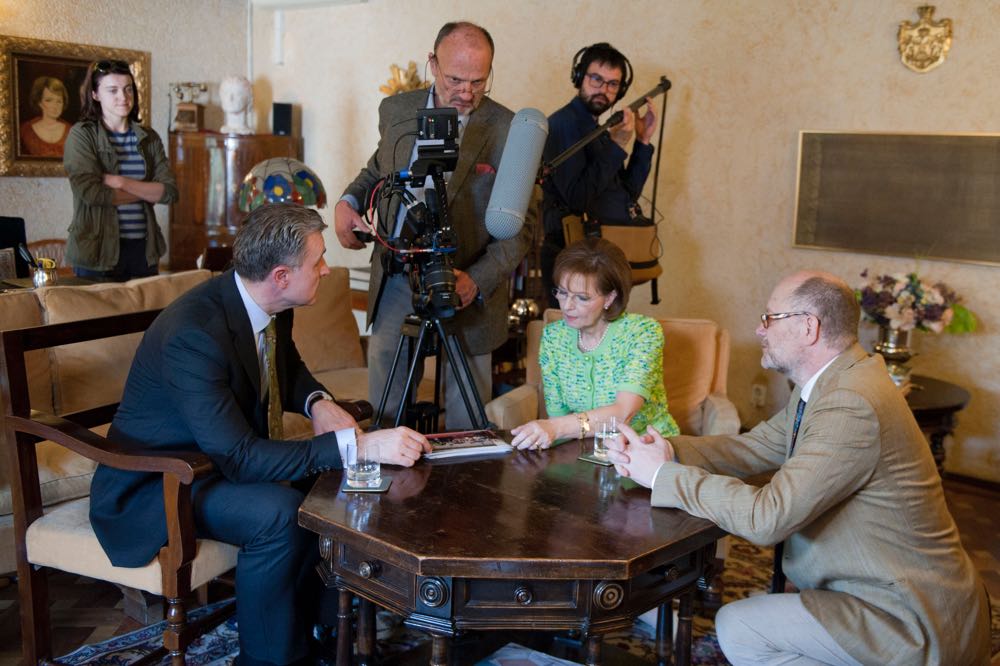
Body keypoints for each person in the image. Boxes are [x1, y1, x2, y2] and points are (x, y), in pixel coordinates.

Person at [89, 203, 431, 666]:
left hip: (213, 461)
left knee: (334, 490)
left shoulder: (267, 302)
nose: (327, 270)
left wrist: (317, 402)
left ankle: (322, 630)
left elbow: (285, 367)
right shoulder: (194, 334)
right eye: (318, 262)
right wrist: (360, 445)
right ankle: (268, 658)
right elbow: (242, 458)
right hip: (156, 483)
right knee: (279, 513)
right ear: (281, 275)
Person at [608, 270, 990, 665]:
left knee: (740, 629)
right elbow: (754, 447)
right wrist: (667, 449)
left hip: (908, 619)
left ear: (809, 327)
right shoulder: (835, 382)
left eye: (769, 318)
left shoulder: (850, 403)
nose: (759, 330)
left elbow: (769, 517)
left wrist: (661, 476)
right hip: (886, 592)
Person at [334, 21, 533, 430]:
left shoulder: (512, 130)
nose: (466, 92)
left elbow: (524, 227)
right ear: (432, 64)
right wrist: (347, 202)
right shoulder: (396, 110)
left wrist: (476, 279)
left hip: (469, 287)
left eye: (479, 81)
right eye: (455, 79)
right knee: (386, 410)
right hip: (396, 278)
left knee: (467, 423)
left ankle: (460, 493)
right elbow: (377, 168)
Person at [510, 238, 678, 449]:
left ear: (609, 298)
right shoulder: (554, 337)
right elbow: (558, 416)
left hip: (647, 448)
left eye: (582, 298)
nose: (567, 306)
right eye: (562, 292)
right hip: (584, 451)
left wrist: (555, 428)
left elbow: (623, 413)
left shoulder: (642, 333)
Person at [540, 42, 657, 308]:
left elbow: (626, 195)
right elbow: (577, 199)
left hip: (596, 258)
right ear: (580, 78)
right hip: (571, 260)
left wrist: (642, 142)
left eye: (613, 84)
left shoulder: (599, 129)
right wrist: (616, 147)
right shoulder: (563, 125)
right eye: (596, 79)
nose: (603, 90)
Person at [63, 60, 176, 281]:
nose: (123, 97)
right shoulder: (82, 134)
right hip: (97, 252)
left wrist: (120, 182)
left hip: (144, 251)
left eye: (127, 89)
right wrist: (146, 191)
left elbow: (169, 192)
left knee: (142, 317)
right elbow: (91, 193)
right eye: (112, 90)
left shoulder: (148, 137)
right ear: (95, 94)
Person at [19, 76, 71, 157]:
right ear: (39, 102)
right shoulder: (25, 130)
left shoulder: (72, 132)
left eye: (59, 101)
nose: (55, 106)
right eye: (49, 100)